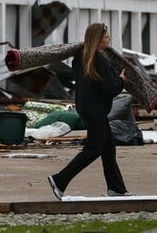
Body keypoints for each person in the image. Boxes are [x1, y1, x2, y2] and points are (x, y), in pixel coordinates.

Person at [47, 22, 132, 200]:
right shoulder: (101, 61)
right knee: (93, 149)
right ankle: (59, 180)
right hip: (96, 111)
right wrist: (121, 80)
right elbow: (111, 89)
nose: (109, 41)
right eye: (107, 38)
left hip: (86, 108)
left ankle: (117, 188)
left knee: (108, 149)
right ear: (98, 40)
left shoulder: (80, 58)